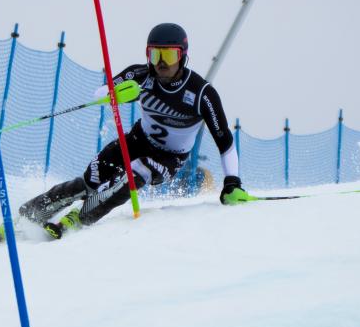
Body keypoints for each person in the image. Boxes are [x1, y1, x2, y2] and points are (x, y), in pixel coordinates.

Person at [19, 22, 253, 239]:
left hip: (169, 157)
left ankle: (81, 217)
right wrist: (116, 94)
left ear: (182, 57)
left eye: (169, 55)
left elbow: (224, 140)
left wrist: (232, 182)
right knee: (91, 180)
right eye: (154, 54)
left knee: (137, 172)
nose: (161, 62)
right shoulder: (140, 75)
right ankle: (31, 213)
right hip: (136, 141)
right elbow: (100, 93)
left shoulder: (202, 93)